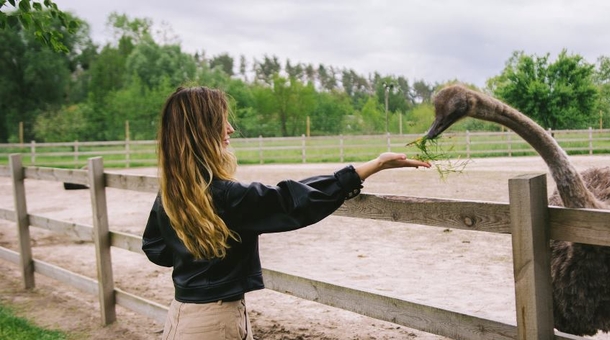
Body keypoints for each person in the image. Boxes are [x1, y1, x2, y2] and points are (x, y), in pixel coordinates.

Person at [142, 86, 431, 340]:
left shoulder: (175, 192)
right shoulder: (225, 196)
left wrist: (195, 258)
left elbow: (156, 249)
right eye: (221, 121)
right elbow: (292, 202)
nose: (230, 128)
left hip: (185, 314)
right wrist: (372, 166)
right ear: (202, 130)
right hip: (216, 322)